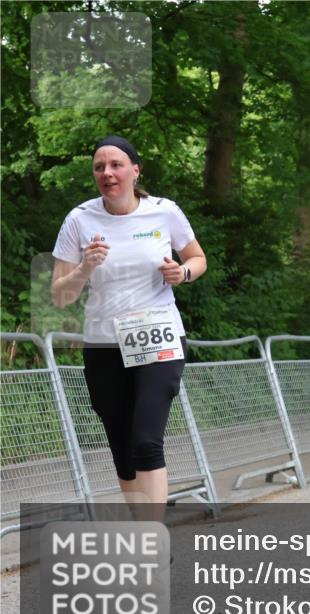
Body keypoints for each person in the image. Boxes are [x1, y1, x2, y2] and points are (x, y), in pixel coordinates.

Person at [50, 135, 206, 521]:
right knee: (121, 445)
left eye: (116, 165)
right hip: (104, 343)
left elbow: (198, 258)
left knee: (145, 440)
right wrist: (85, 268)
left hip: (158, 334)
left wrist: (182, 272)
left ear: (135, 170)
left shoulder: (163, 212)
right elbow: (59, 296)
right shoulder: (79, 219)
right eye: (99, 167)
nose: (107, 173)